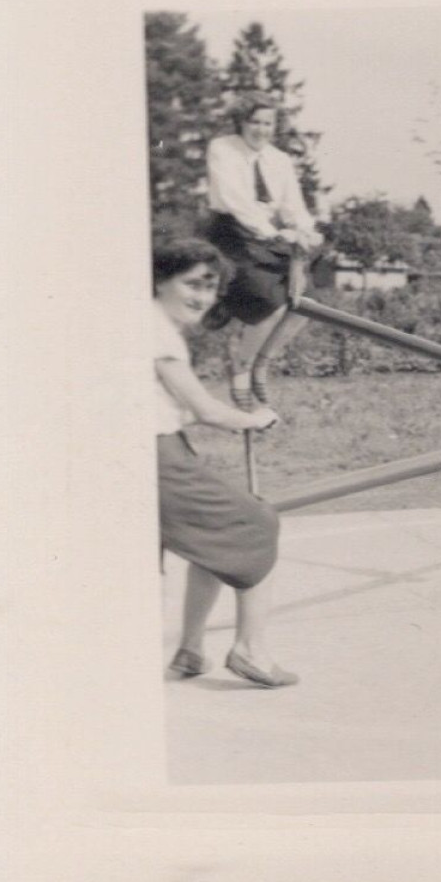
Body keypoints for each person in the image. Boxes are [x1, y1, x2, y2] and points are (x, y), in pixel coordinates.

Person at [153, 238, 298, 688]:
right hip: (155, 458)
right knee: (255, 523)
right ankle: (250, 650)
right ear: (159, 280)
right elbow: (205, 410)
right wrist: (254, 419)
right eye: (192, 284)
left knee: (213, 539)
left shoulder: (149, 323)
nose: (203, 297)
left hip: (163, 449)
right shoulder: (153, 330)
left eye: (211, 288)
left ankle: (191, 650)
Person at [203, 92, 325, 410]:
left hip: (270, 236)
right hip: (232, 232)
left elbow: (291, 205)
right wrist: (273, 234)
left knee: (306, 301)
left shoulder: (280, 160)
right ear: (241, 122)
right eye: (254, 122)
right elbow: (234, 200)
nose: (261, 129)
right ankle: (240, 366)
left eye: (267, 123)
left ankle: (263, 361)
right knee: (268, 299)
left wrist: (303, 230)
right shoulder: (222, 149)